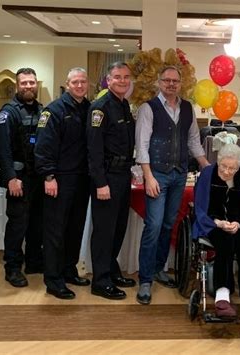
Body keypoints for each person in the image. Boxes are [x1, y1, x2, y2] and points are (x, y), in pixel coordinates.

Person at [135, 65, 209, 305]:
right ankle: (145, 279)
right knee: (154, 226)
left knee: (168, 224)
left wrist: (208, 166)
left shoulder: (188, 108)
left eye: (175, 81)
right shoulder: (149, 108)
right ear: (159, 82)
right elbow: (142, 145)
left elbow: (193, 143)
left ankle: (158, 269)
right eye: (166, 80)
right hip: (157, 174)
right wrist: (148, 176)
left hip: (179, 175)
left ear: (180, 83)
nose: (171, 84)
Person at [34, 67, 91, 300]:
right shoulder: (54, 110)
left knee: (74, 229)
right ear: (67, 84)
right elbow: (43, 146)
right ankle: (53, 280)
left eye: (83, 82)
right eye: (75, 82)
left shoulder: (88, 109)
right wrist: (48, 176)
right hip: (59, 179)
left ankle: (69, 270)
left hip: (81, 180)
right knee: (55, 232)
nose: (79, 86)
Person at [193, 143, 240, 319]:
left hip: (237, 224)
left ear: (238, 167)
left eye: (231, 168)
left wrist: (238, 224)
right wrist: (217, 223)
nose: (226, 171)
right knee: (225, 243)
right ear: (218, 162)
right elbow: (200, 206)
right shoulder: (207, 175)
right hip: (212, 224)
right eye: (223, 166)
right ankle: (222, 296)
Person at [87, 62, 136, 300]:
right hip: (106, 177)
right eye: (118, 77)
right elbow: (93, 149)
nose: (123, 81)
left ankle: (111, 269)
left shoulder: (124, 105)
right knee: (104, 231)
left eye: (126, 77)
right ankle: (100, 280)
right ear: (108, 80)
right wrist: (100, 183)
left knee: (118, 229)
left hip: (123, 175)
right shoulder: (100, 108)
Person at [0, 67, 44, 287]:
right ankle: (12, 267)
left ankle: (33, 261)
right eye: (24, 83)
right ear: (17, 85)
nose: (28, 86)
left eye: (31, 82)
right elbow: (3, 149)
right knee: (17, 225)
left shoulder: (41, 110)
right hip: (19, 177)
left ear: (37, 84)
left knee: (36, 223)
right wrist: (11, 178)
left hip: (38, 178)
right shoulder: (8, 112)